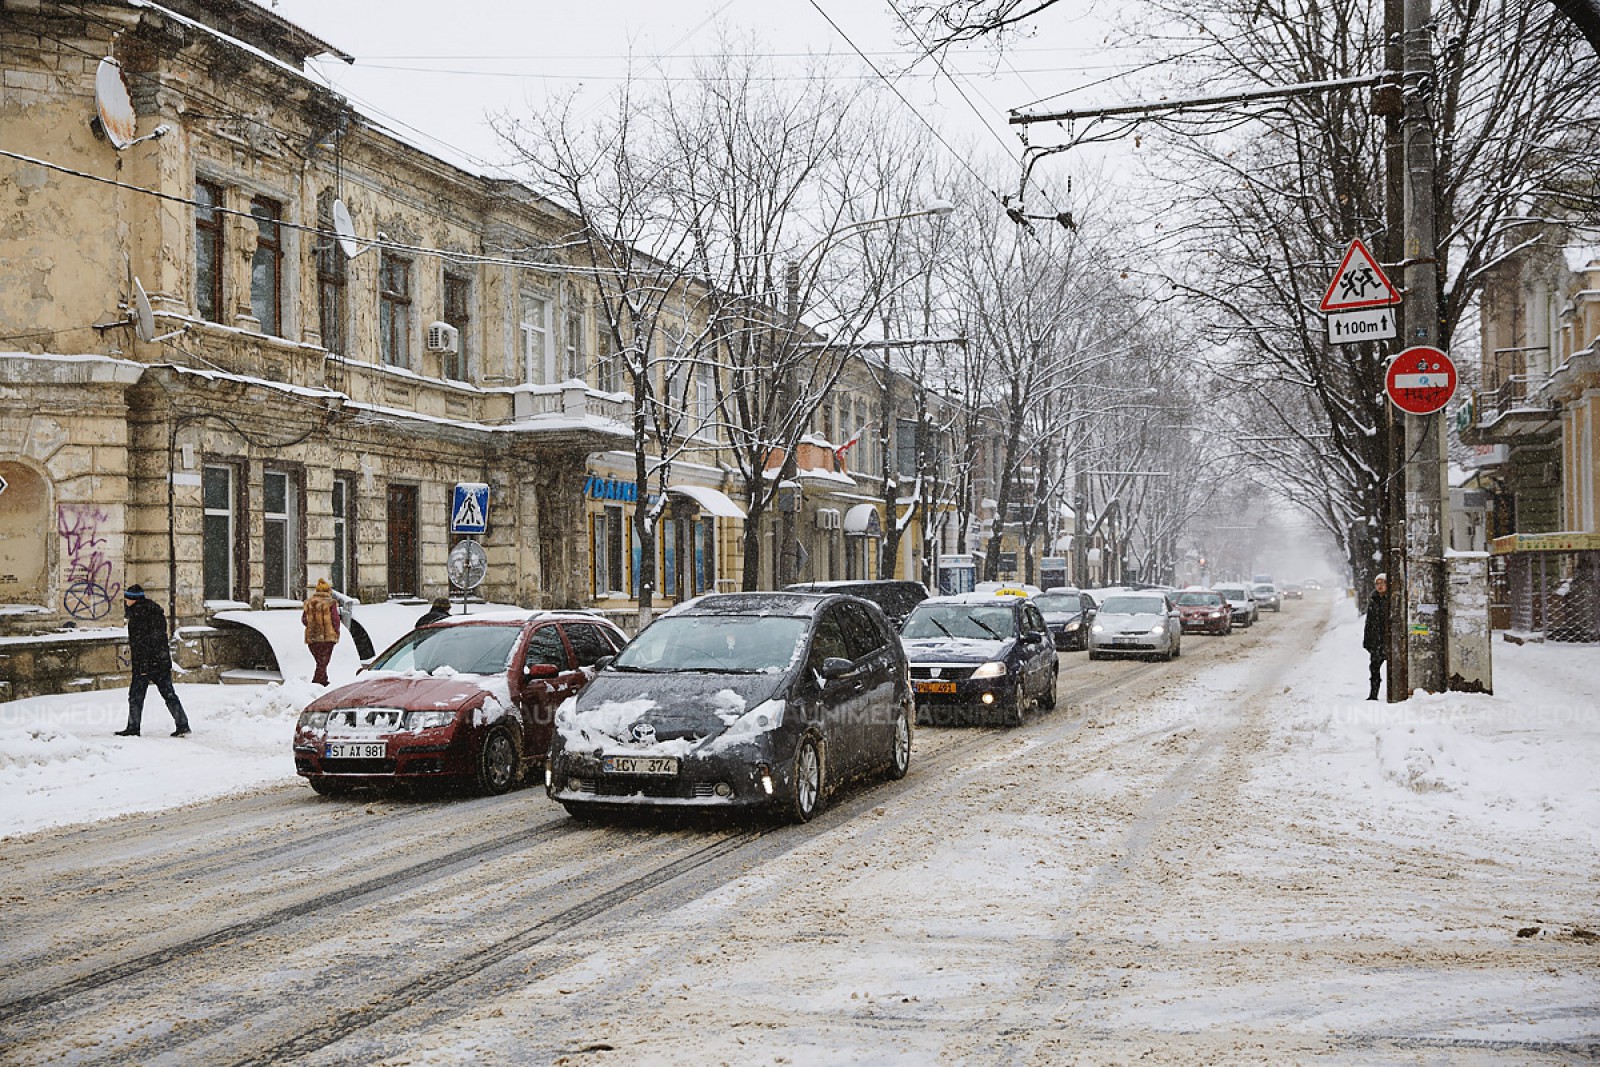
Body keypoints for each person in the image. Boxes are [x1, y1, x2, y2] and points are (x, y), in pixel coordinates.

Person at [116, 584, 191, 737]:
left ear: (133, 600)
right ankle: (182, 724)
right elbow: (159, 639)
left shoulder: (138, 616)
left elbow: (142, 644)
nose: (125, 600)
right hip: (161, 661)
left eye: (127, 598)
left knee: (136, 696)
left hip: (146, 663)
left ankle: (133, 727)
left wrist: (143, 667)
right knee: (169, 694)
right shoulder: (155, 612)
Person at [302, 578, 341, 686]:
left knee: (320, 661)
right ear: (328, 591)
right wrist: (336, 632)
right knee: (323, 662)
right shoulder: (330, 603)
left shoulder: (309, 603)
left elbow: (304, 620)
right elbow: (335, 620)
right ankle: (316, 682)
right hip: (327, 637)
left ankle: (323, 681)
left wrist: (313, 625)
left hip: (312, 637)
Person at [1363, 572, 1389, 701]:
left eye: (1382, 583)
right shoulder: (1373, 600)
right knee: (1374, 668)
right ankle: (1373, 695)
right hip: (1376, 641)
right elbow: (1369, 622)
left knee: (1394, 669)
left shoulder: (1393, 599)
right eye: (1377, 583)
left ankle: (1395, 693)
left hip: (1390, 640)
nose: (1380, 586)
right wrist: (1367, 641)